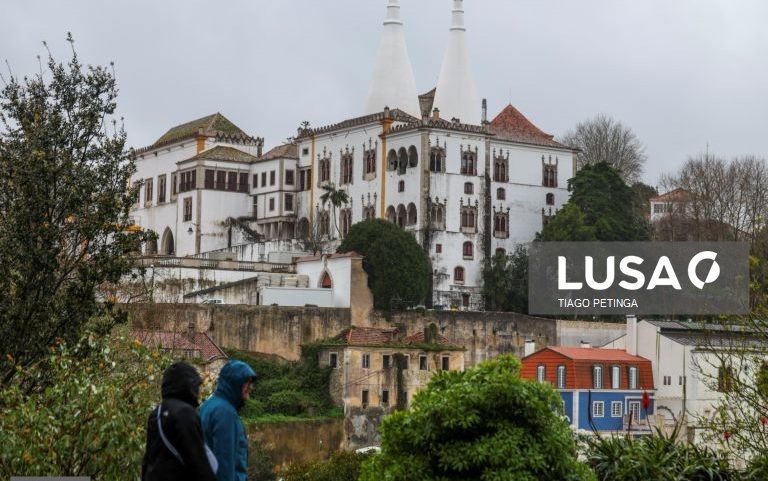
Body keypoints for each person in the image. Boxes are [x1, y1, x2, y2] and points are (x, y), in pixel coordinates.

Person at [142, 362, 217, 481]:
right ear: (190, 386)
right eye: (197, 386)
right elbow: (197, 460)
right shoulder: (185, 413)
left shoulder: (156, 412)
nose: (199, 392)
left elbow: (148, 459)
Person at [200, 359, 257, 481]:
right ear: (235, 383)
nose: (251, 387)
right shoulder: (225, 413)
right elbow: (224, 463)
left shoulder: (209, 405)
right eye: (247, 382)